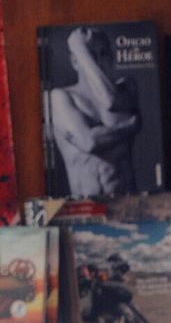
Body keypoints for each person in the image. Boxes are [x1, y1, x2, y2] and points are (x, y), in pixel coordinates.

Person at [48, 26, 141, 196]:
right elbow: (89, 142)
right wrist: (128, 128)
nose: (98, 61)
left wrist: (81, 49)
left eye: (103, 53)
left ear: (112, 58)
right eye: (91, 54)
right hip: (87, 208)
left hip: (128, 202)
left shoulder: (126, 87)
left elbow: (109, 102)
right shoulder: (61, 97)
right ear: (76, 62)